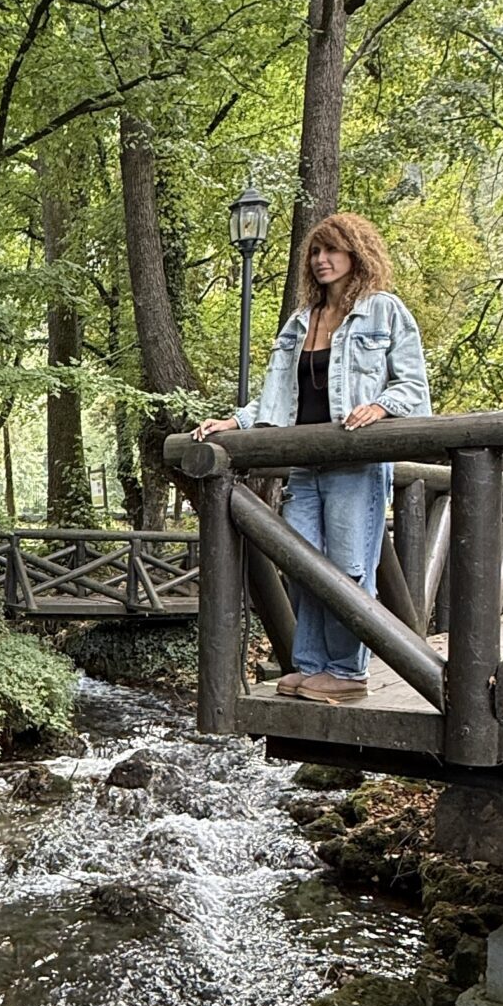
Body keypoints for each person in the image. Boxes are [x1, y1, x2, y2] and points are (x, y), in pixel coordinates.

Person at [193, 212, 430, 706]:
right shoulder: (301, 321)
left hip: (355, 463)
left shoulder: (383, 311)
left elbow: (412, 386)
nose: (322, 260)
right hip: (305, 462)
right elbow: (276, 396)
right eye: (316, 253)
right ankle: (311, 665)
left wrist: (382, 405)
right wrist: (234, 422)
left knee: (347, 568)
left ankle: (346, 671)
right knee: (300, 564)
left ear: (356, 254)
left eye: (333, 251)